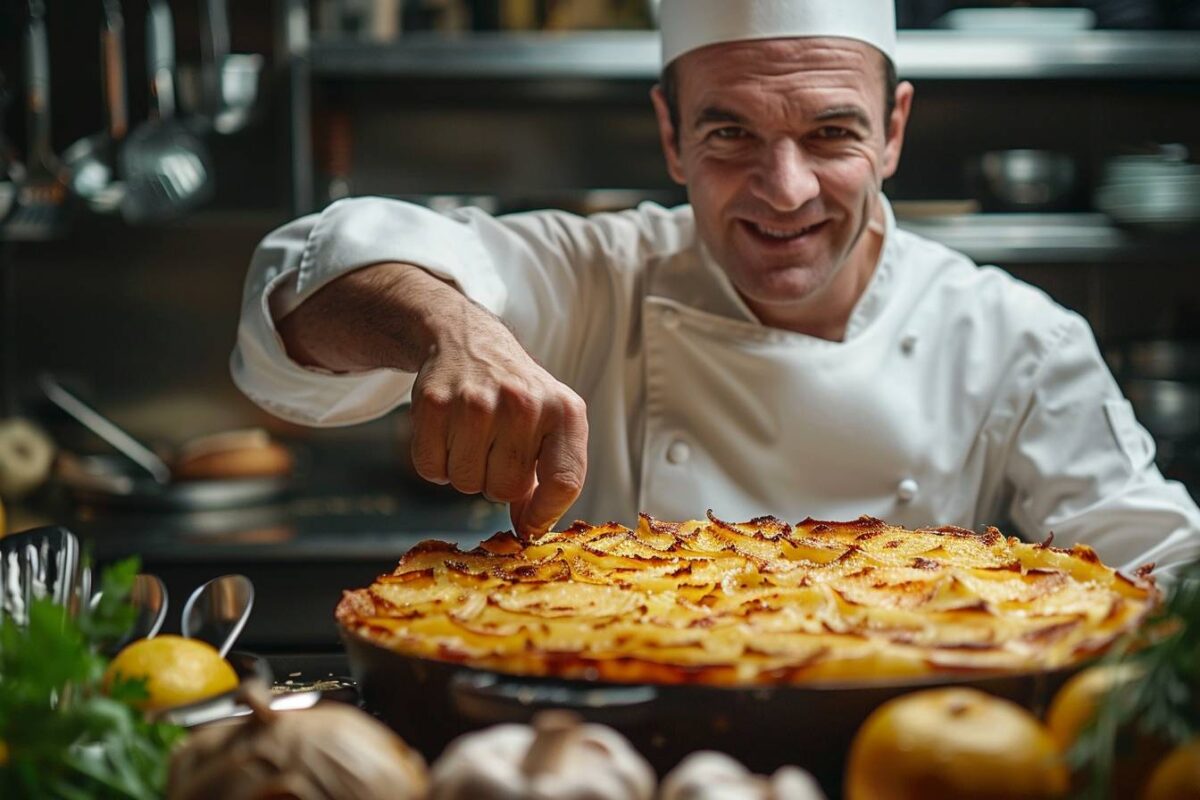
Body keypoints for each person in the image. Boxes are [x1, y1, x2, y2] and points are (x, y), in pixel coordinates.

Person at [232, 0, 1200, 578]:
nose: (785, 192)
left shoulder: (1017, 339)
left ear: (894, 130)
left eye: (831, 133)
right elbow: (291, 297)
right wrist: (447, 325)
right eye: (730, 132)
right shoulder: (597, 276)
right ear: (669, 134)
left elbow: (1161, 570)